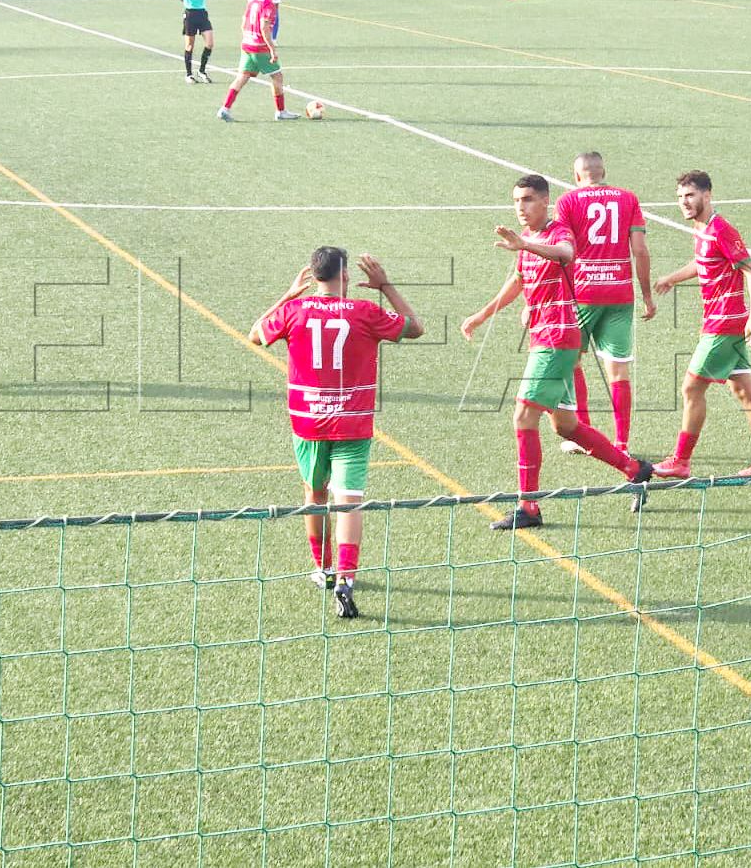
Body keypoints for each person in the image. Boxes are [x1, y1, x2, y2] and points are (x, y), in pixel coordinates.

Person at [460, 175, 655, 530]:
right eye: (517, 200)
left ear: (546, 202)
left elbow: (567, 254)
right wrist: (482, 315)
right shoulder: (529, 241)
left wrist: (525, 245)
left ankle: (529, 508)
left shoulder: (557, 233)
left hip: (558, 338)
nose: (521, 207)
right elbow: (518, 282)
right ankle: (635, 470)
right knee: (566, 427)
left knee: (522, 417)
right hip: (546, 338)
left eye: (529, 200)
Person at [249, 249, 425, 618]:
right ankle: (346, 578)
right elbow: (415, 326)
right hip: (352, 420)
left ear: (314, 277)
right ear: (345, 275)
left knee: (315, 495)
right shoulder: (366, 312)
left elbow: (255, 335)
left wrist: (287, 295)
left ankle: (324, 569)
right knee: (349, 501)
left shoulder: (295, 312)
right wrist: (386, 286)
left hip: (308, 421)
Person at [651, 171, 751, 479]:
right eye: (680, 197)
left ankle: (681, 460)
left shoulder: (722, 230)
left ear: (707, 195)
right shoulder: (702, 229)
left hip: (724, 324)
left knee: (691, 387)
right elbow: (702, 263)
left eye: (690, 196)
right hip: (719, 320)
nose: (684, 203)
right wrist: (672, 277)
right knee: (743, 389)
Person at [553, 152, 654, 456]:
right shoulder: (628, 199)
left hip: (583, 294)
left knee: (572, 363)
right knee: (619, 373)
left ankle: (582, 435)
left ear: (577, 175)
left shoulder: (567, 202)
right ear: (603, 171)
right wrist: (647, 294)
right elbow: (640, 250)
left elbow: (563, 252)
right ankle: (621, 443)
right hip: (620, 295)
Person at [217, 0, 298, 122]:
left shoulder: (254, 1)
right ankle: (281, 111)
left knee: (242, 77)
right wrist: (272, 48)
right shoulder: (268, 4)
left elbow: (243, 23)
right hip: (259, 47)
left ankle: (224, 108)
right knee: (277, 76)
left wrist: (247, 38)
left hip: (247, 44)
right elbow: (264, 27)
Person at [169, 0, 216, 84]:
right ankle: (189, 74)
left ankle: (202, 71)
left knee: (210, 43)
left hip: (202, 13)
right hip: (190, 14)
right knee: (190, 45)